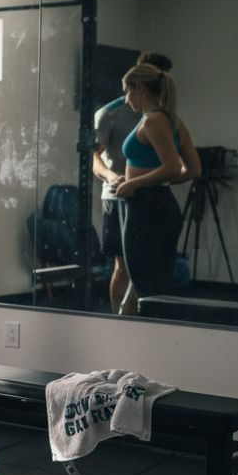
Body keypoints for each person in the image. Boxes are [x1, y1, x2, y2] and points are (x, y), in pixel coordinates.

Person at [114, 60, 201, 314]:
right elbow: (193, 170)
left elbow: (173, 167)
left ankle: (140, 333)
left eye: (127, 91)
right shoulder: (173, 121)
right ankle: (129, 330)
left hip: (148, 209)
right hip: (158, 205)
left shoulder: (154, 121)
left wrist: (135, 183)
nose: (126, 99)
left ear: (139, 88)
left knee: (146, 286)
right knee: (145, 284)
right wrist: (139, 181)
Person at [93, 52, 171, 314]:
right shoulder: (110, 113)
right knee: (124, 264)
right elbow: (93, 158)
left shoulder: (163, 115)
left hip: (151, 197)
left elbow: (177, 165)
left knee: (151, 265)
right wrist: (111, 176)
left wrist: (168, 176)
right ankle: (120, 324)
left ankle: (144, 321)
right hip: (118, 197)